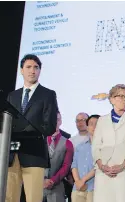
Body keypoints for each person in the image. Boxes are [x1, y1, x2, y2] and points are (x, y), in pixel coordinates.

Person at [6, 54, 58, 202]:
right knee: (9, 198)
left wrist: (27, 128)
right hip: (11, 155)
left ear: (40, 71)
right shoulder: (12, 96)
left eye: (36, 67)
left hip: (34, 154)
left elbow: (50, 126)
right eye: (28, 67)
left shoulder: (48, 94)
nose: (32, 70)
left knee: (33, 198)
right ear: (21, 70)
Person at [92, 84, 125, 202]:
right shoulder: (102, 120)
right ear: (112, 99)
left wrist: (121, 166)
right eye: (121, 96)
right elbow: (95, 146)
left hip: (124, 171)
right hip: (103, 172)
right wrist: (102, 166)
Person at [43, 112, 74, 202]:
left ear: (61, 121)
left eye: (58, 119)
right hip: (37, 184)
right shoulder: (40, 139)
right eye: (53, 119)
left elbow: (66, 166)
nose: (55, 121)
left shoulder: (68, 143)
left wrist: (52, 180)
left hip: (57, 186)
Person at [71, 115, 100, 202]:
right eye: (91, 124)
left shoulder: (104, 147)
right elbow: (74, 165)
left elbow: (98, 166)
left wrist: (83, 180)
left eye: (97, 124)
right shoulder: (80, 147)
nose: (94, 127)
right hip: (77, 189)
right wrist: (77, 182)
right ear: (87, 127)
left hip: (95, 188)